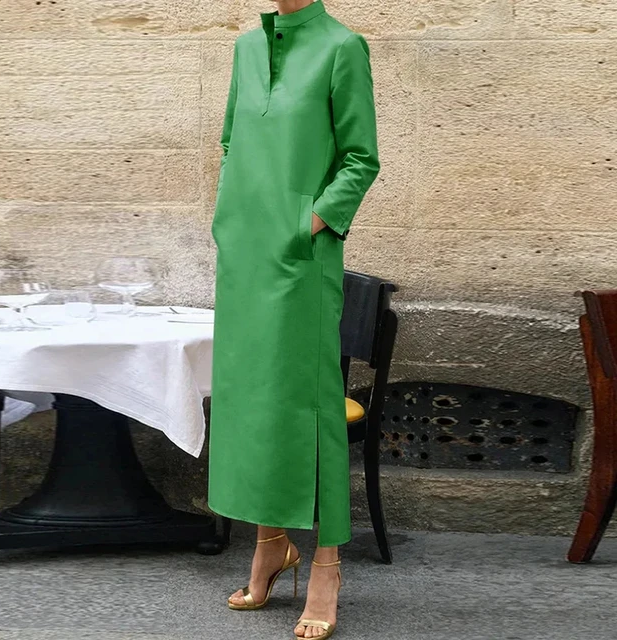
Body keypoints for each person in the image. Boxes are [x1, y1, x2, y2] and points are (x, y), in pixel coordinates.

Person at [208, 0, 380, 637]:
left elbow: (361, 158)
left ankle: (327, 566)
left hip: (301, 260)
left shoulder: (342, 47)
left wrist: (308, 222)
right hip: (244, 255)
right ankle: (270, 546)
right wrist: (233, 220)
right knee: (252, 399)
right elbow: (232, 140)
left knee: (310, 404)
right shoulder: (246, 48)